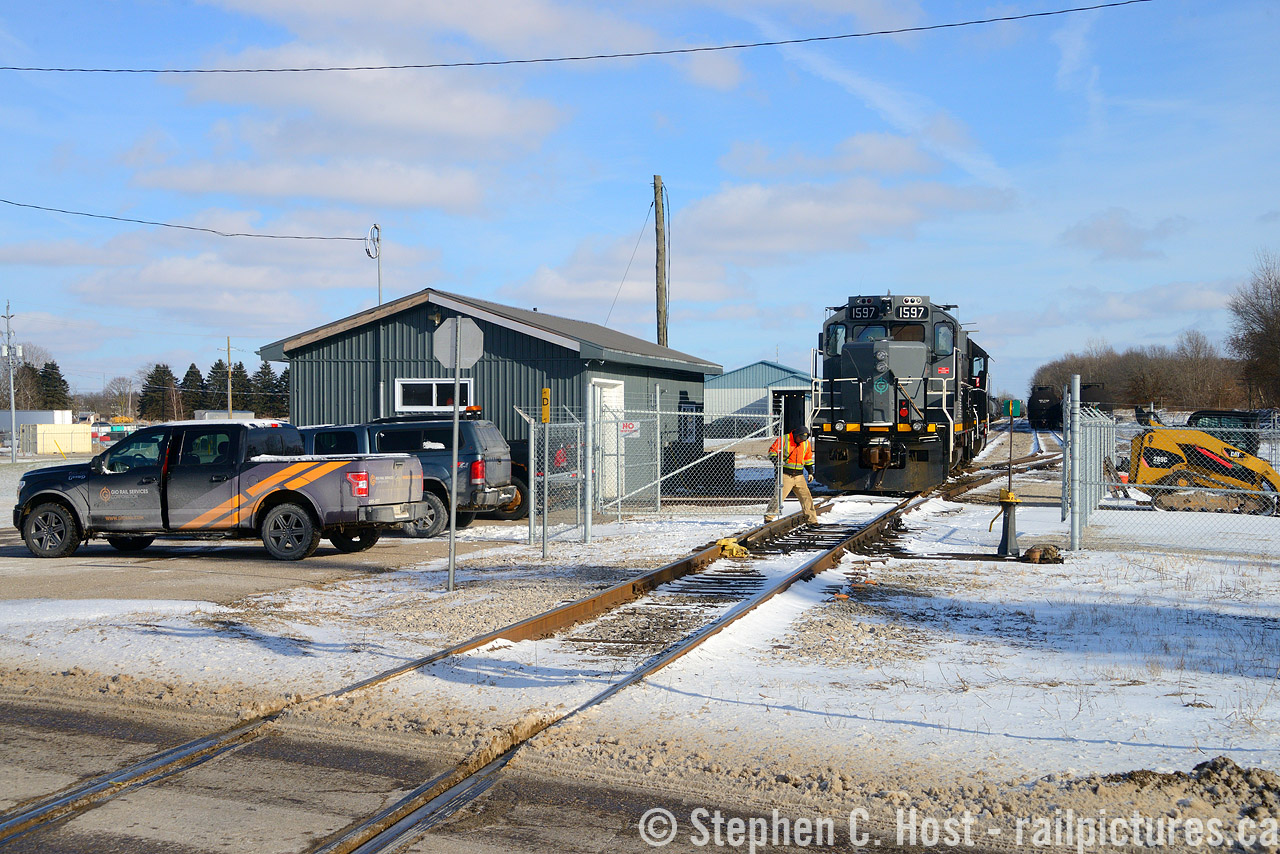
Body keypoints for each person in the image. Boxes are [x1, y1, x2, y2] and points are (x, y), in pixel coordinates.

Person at [765, 427, 817, 523]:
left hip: (799, 476)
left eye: (804, 439)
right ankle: (768, 518)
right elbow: (772, 452)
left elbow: (807, 458)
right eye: (800, 438)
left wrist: (810, 472)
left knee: (806, 498)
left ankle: (812, 521)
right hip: (785, 475)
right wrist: (777, 462)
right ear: (796, 435)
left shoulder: (805, 443)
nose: (801, 441)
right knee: (778, 497)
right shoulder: (784, 439)